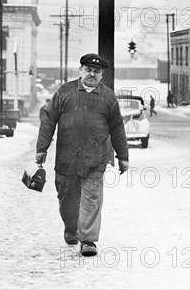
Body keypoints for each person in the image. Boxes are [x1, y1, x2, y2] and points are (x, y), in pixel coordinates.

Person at [35, 53, 129, 257]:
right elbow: (49, 119)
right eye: (88, 70)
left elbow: (117, 127)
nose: (92, 74)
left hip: (95, 159)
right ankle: (71, 229)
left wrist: (123, 156)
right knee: (67, 199)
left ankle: (88, 240)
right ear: (80, 71)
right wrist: (42, 148)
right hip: (66, 158)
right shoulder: (64, 92)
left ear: (102, 75)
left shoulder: (108, 97)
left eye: (96, 71)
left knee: (91, 199)